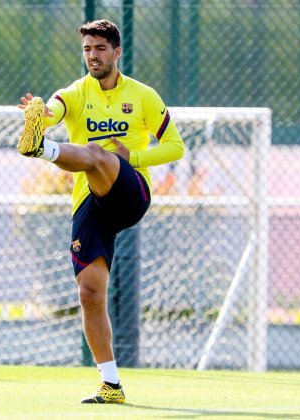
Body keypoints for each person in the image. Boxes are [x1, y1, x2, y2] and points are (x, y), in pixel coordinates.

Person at [16, 19, 184, 404]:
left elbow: (176, 146)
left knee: (97, 154)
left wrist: (134, 155)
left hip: (131, 192)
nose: (92, 55)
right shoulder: (76, 93)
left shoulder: (143, 96)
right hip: (90, 202)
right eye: (87, 49)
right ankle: (111, 384)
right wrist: (38, 116)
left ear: (117, 52)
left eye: (100, 49)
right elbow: (53, 111)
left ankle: (40, 150)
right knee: (90, 293)